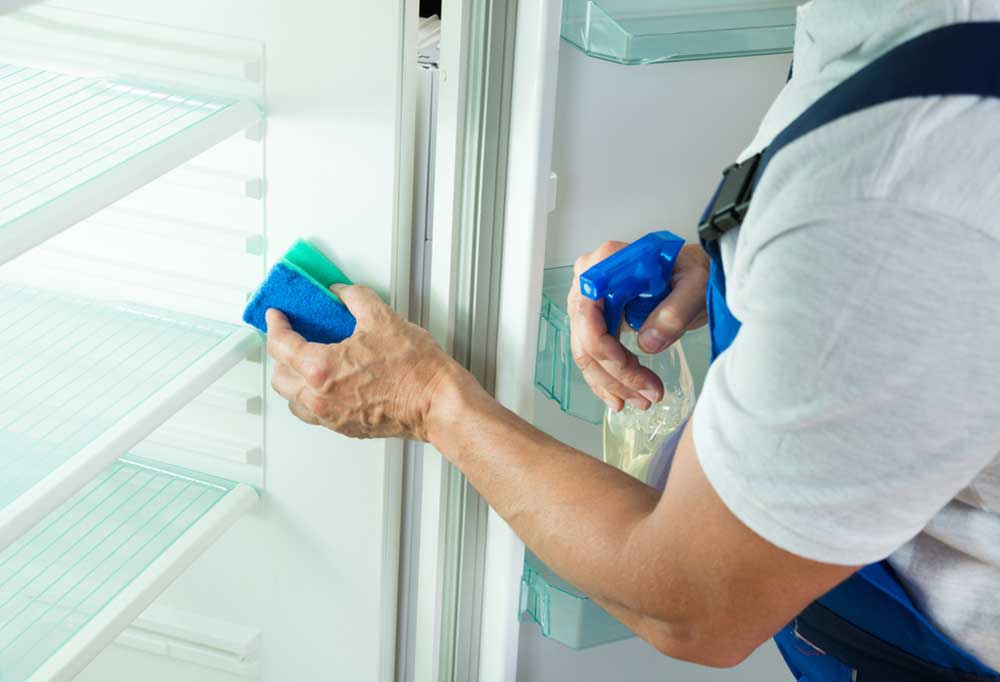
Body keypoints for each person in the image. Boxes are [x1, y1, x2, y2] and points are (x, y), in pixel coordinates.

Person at [266, 0, 1000, 675]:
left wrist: (430, 400)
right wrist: (739, 263)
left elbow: (694, 607)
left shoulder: (901, 183)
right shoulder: (898, 34)